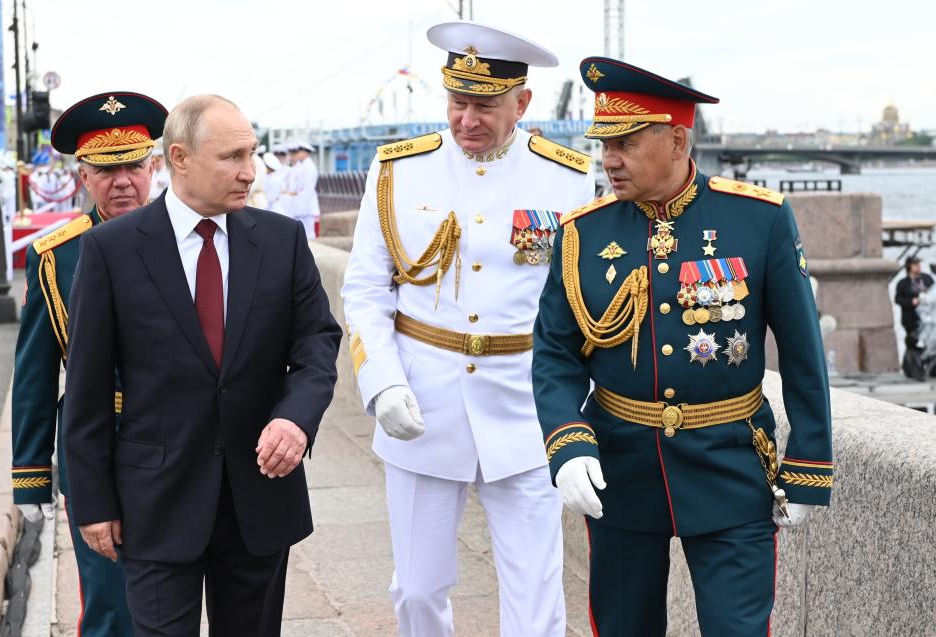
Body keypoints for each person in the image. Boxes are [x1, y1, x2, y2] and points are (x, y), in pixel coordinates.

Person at [531, 57, 833, 636]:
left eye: (623, 142)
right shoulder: (582, 233)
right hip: (619, 468)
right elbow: (555, 353)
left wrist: (808, 464)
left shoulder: (758, 219)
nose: (607, 159)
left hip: (731, 465)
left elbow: (802, 355)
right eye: (603, 144)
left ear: (676, 139)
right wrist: (566, 443)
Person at [341, 21, 595, 637]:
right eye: (458, 103)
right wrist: (381, 380)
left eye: (485, 106)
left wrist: (576, 413)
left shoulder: (568, 177)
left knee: (536, 593)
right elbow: (366, 290)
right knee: (418, 590)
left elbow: (579, 308)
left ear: (523, 103)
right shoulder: (399, 170)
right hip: (423, 401)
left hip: (526, 408)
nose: (467, 121)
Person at [61, 94, 342, 636]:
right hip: (156, 504)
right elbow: (87, 388)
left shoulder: (281, 240)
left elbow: (316, 342)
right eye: (232, 157)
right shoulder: (111, 250)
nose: (249, 172)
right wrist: (93, 502)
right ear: (180, 159)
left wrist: (296, 418)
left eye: (251, 154)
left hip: (259, 499)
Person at [11, 90, 167, 636]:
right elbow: (34, 370)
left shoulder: (192, 239)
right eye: (106, 169)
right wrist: (29, 476)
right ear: (82, 177)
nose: (122, 180)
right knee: (111, 608)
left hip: (183, 440)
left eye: (133, 165)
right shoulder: (56, 255)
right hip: (100, 444)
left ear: (155, 166)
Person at [290, 141, 320, 239]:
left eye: (299, 152)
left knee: (309, 233)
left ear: (305, 153)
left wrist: (301, 208)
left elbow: (308, 190)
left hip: (307, 206)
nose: (297, 154)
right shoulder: (304, 166)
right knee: (303, 234)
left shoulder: (309, 168)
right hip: (301, 205)